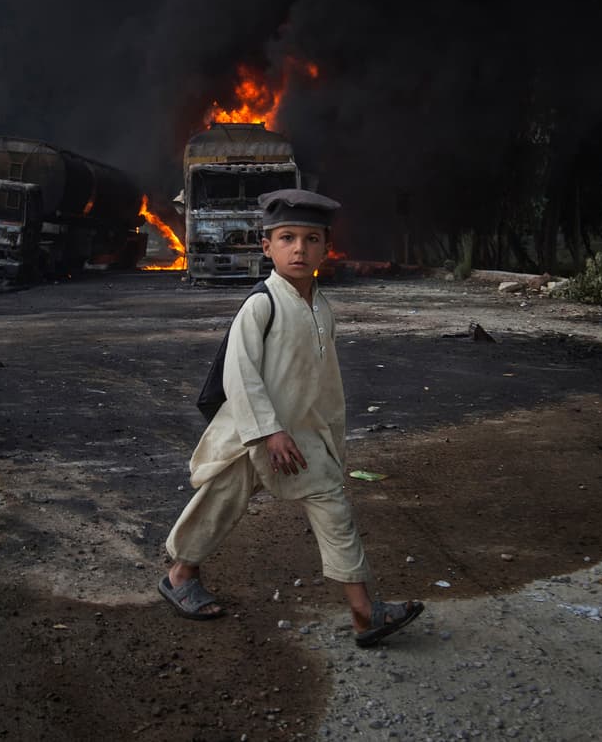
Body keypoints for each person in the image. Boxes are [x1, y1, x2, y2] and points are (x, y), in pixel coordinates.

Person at [158, 189, 424, 647]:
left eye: (310, 239)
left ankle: (364, 612)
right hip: (251, 435)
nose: (299, 248)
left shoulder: (321, 307)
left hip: (305, 438)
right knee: (218, 505)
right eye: (287, 238)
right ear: (268, 247)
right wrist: (268, 431)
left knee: (334, 507)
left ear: (325, 247)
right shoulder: (262, 304)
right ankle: (180, 575)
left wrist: (329, 438)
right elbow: (239, 375)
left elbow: (324, 383)